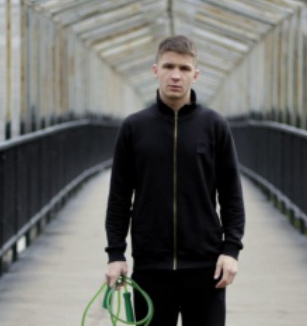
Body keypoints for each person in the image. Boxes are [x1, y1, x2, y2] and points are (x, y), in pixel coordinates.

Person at [104, 35, 246, 326]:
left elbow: (231, 194)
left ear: (195, 75)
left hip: (206, 267)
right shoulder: (133, 127)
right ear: (156, 70)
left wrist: (231, 250)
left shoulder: (215, 126)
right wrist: (115, 254)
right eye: (169, 67)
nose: (176, 75)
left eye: (184, 68)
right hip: (150, 267)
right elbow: (119, 197)